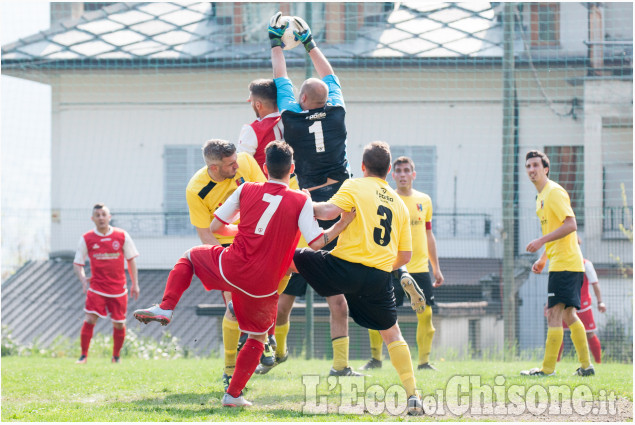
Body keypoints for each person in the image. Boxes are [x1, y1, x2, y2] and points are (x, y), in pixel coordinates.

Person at [134, 141, 355, 407]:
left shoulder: (246, 188)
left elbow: (216, 226)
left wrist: (247, 232)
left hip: (232, 264)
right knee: (257, 338)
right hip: (263, 283)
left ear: (264, 167)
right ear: (292, 168)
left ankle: (167, 307)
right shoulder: (300, 199)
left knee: (190, 257)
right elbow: (317, 242)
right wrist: (342, 224)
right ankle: (233, 394)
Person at [293, 141, 425, 415]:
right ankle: (413, 396)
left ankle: (259, 324)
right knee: (392, 334)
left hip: (341, 267)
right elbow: (406, 256)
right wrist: (382, 266)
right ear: (388, 170)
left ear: (363, 167)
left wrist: (304, 202)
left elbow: (328, 213)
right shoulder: (399, 203)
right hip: (377, 277)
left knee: (292, 259)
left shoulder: (354, 185)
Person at [262, 12, 355, 376]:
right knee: (336, 291)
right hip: (339, 201)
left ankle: (280, 351)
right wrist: (310, 43)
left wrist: (275, 42)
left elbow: (279, 75)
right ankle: (342, 365)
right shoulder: (338, 113)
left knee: (290, 280)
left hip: (306, 205)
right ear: (327, 98)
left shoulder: (290, 115)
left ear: (301, 99)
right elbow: (330, 76)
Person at [147, 139, 266, 390]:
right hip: (224, 247)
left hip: (257, 240)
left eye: (236, 161)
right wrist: (227, 263)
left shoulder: (244, 160)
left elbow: (267, 201)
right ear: (214, 168)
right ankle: (229, 372)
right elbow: (206, 235)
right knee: (234, 308)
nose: (237, 166)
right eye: (230, 164)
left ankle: (265, 342)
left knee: (261, 304)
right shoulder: (195, 189)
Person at [360, 156, 444, 371]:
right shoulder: (386, 198)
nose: (403, 174)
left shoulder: (424, 200)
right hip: (391, 266)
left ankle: (424, 362)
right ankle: (376, 359)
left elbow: (428, 234)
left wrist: (436, 268)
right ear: (392, 174)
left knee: (426, 314)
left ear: (413, 175)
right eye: (399, 170)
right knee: (378, 312)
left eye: (407, 170)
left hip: (419, 269)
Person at [521, 150, 594, 377]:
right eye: (528, 166)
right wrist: (543, 258)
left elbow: (571, 225)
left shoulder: (553, 192)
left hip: (566, 264)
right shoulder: (540, 197)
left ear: (546, 169)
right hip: (563, 263)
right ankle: (586, 367)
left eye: (535, 165)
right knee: (568, 315)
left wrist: (540, 241)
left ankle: (547, 369)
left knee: (553, 314)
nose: (532, 169)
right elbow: (555, 231)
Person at [73, 203, 139, 364]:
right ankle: (83, 356)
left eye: (104, 214)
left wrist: (135, 284)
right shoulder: (87, 238)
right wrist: (83, 279)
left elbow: (131, 260)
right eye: (98, 215)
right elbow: (77, 263)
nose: (101, 218)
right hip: (97, 288)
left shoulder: (122, 235)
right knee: (89, 319)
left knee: (119, 324)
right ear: (92, 218)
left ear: (109, 217)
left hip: (118, 289)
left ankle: (116, 357)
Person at [558, 245, 606, 364]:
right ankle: (555, 361)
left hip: (582, 305)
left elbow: (595, 283)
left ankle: (598, 362)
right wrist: (550, 303)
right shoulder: (561, 263)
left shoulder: (586, 264)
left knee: (589, 333)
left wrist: (600, 302)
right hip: (564, 304)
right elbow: (557, 285)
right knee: (558, 331)